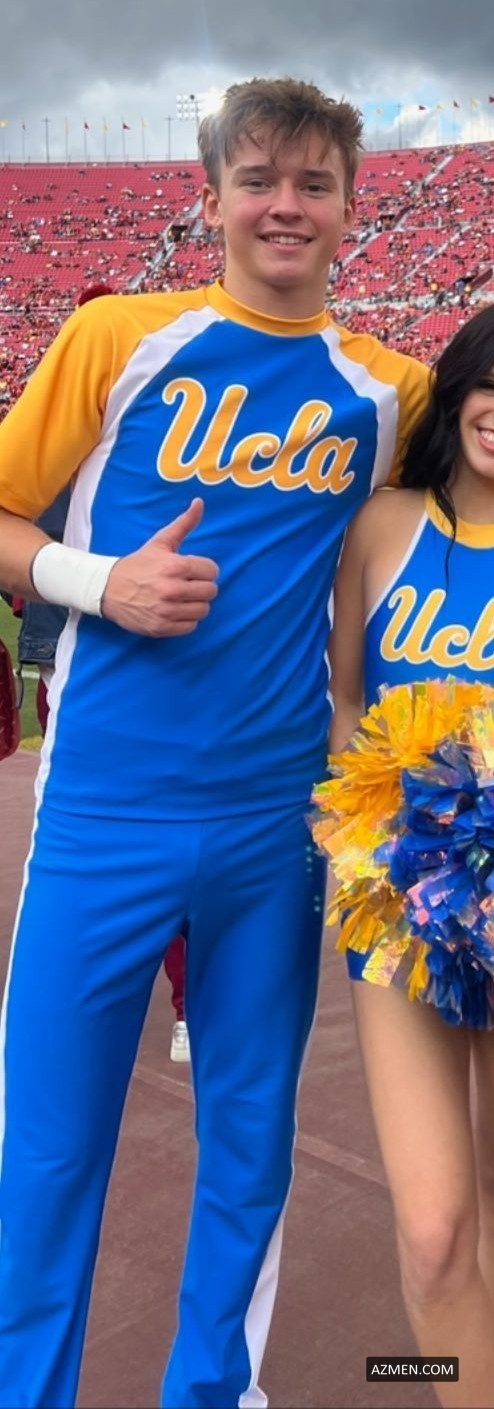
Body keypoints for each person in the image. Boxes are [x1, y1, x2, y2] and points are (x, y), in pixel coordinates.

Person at [0, 76, 429, 1409]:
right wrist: (97, 580)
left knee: (249, 1141)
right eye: (257, 180)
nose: (283, 205)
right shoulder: (117, 337)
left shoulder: (391, 392)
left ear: (352, 208)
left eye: (312, 183)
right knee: (47, 1150)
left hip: (273, 826)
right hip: (100, 811)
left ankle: (211, 1390)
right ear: (211, 198)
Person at [327, 303, 494, 1409]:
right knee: (435, 1232)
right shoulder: (382, 526)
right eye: (491, 381)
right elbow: (343, 706)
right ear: (460, 389)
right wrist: (369, 839)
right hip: (399, 907)